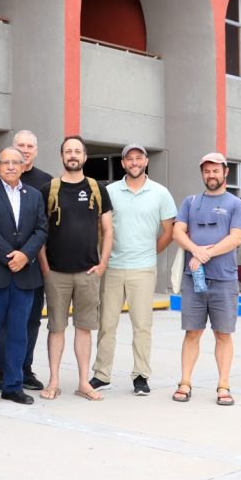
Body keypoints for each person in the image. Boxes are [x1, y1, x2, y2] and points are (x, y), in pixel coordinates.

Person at [92, 144, 176, 396]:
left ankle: (141, 375)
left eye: (139, 158)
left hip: (143, 270)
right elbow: (101, 229)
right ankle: (101, 374)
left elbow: (169, 231)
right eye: (129, 158)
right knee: (107, 324)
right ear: (123, 163)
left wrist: (150, 252)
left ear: (146, 161)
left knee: (142, 325)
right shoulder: (109, 191)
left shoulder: (161, 193)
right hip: (113, 268)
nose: (134, 162)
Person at [37, 136, 113, 401]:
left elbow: (108, 230)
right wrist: (45, 266)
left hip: (88, 273)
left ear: (85, 156)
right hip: (56, 273)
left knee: (84, 328)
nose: (73, 155)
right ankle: (54, 381)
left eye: (77, 151)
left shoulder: (97, 189)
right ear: (61, 156)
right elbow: (40, 231)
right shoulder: (49, 189)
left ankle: (83, 383)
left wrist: (102, 265)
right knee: (56, 328)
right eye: (68, 151)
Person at [0, 147, 48, 406]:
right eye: (6, 162)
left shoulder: (34, 195)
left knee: (18, 333)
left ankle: (14, 386)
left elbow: (41, 229)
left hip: (25, 275)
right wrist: (10, 256)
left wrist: (25, 255)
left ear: (23, 166)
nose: (11, 167)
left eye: (16, 162)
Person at [172, 152, 241, 406]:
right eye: (207, 171)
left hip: (224, 279)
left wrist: (205, 254)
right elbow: (178, 232)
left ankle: (223, 386)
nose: (211, 175)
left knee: (222, 333)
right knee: (192, 332)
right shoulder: (190, 202)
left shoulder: (237, 204)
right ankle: (185, 382)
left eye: (215, 170)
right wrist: (196, 250)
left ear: (225, 172)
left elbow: (236, 238)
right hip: (193, 279)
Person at [0, 130, 53, 391]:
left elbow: (44, 227)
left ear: (36, 151)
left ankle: (24, 369)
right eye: (20, 146)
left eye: (29, 146)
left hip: (32, 265)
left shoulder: (46, 182)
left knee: (31, 320)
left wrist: (29, 256)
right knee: (2, 322)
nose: (25, 151)